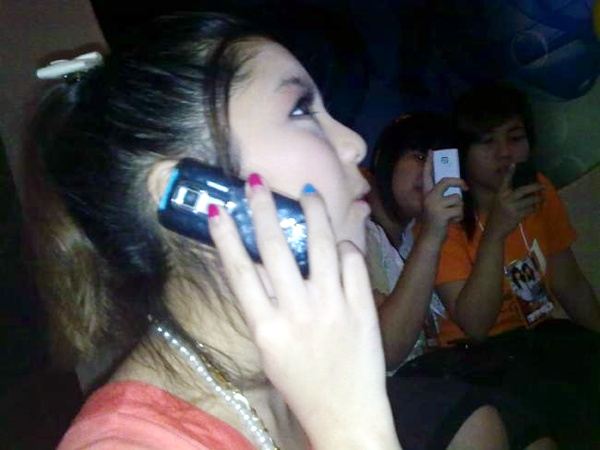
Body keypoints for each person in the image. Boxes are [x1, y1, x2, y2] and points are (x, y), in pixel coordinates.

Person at [31, 13, 401, 450]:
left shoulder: (303, 374)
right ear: (191, 196)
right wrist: (353, 432)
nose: (355, 143)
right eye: (301, 110)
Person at [366, 113, 556, 450]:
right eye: (419, 157)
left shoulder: (414, 239)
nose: (429, 174)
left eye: (439, 161)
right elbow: (388, 351)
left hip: (435, 373)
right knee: (478, 422)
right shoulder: (354, 231)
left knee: (537, 439)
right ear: (383, 158)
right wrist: (434, 231)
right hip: (374, 389)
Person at [433, 83, 600, 449]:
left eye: (515, 138)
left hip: (540, 336)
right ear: (464, 151)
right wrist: (496, 232)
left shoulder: (538, 190)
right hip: (477, 355)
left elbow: (570, 283)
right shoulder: (446, 217)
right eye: (487, 142)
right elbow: (475, 326)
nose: (504, 153)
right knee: (558, 405)